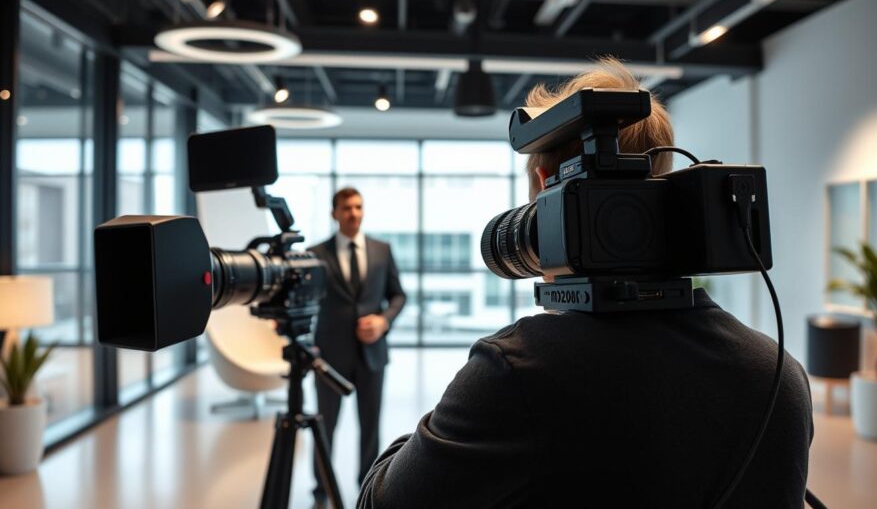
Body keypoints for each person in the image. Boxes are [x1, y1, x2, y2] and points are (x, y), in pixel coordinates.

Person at [357, 58, 813, 508]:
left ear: (543, 187)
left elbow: (380, 503)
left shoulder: (516, 371)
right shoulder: (780, 375)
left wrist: (426, 434)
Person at [308, 187, 406, 507]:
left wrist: (384, 321)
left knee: (370, 425)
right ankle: (321, 488)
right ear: (334, 213)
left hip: (372, 355)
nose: (353, 213)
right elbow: (307, 302)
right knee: (325, 424)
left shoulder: (382, 249)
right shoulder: (315, 254)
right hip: (329, 355)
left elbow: (398, 296)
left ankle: (367, 485)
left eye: (358, 206)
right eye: (346, 207)